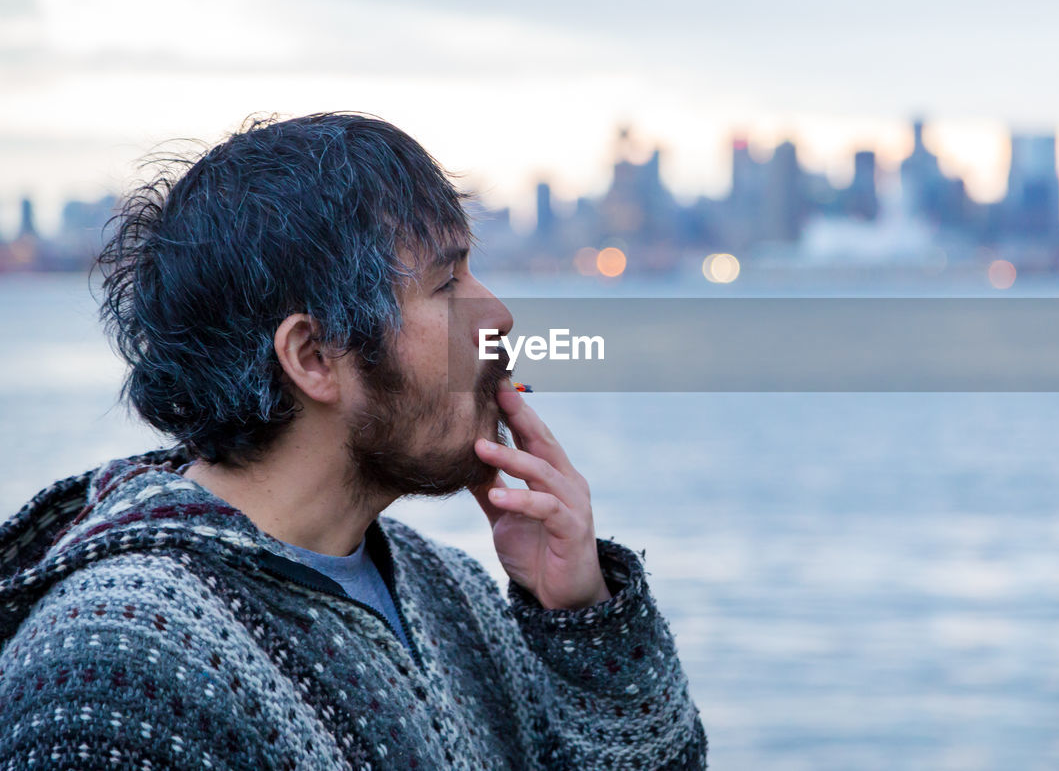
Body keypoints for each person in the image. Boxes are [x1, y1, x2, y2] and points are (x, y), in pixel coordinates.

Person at [0, 113, 707, 770]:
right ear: (312, 356)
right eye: (446, 282)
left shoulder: (452, 596)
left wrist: (581, 618)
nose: (497, 314)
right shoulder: (116, 671)